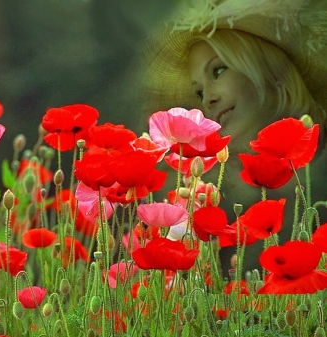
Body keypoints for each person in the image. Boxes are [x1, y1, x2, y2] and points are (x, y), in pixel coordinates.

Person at [140, 0, 327, 276]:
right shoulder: (224, 207)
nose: (209, 100)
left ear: (269, 67)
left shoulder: (319, 178)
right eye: (199, 93)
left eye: (218, 71)